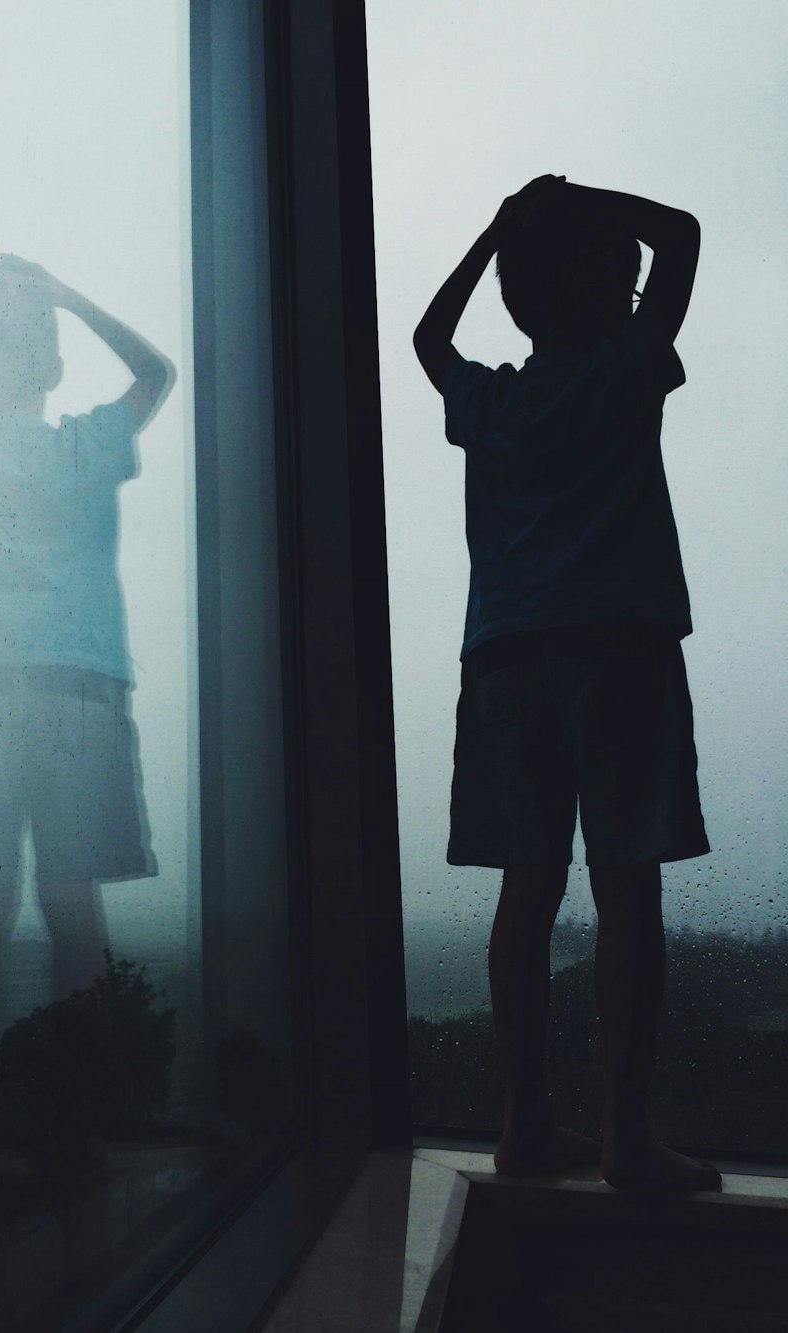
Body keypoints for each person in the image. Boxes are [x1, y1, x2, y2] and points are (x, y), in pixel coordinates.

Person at [413, 177, 721, 1192]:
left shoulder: (491, 400)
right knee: (627, 887)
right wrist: (573, 196)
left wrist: (497, 228)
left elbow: (427, 339)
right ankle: (626, 1138)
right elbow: (679, 235)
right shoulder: (627, 368)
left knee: (526, 890)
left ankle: (522, 1127)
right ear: (609, 292)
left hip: (504, 660)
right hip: (619, 650)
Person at [0, 256, 175, 1050]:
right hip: (78, 690)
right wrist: (64, 295)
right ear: (50, 367)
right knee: (74, 899)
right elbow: (156, 370)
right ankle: (81, 1104)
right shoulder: (88, 445)